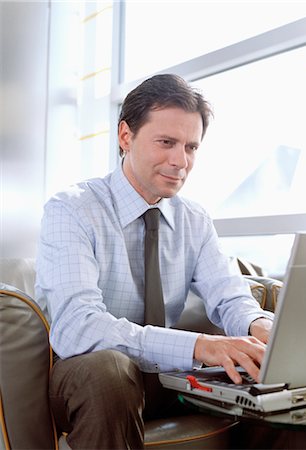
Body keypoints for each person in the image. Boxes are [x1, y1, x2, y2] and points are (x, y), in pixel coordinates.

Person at [35, 74, 274, 449]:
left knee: (272, 374)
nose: (180, 161)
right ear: (125, 136)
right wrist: (200, 345)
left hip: (164, 375)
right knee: (110, 369)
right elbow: (79, 327)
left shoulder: (194, 220)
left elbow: (229, 295)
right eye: (166, 142)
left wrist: (261, 328)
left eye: (191, 147)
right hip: (90, 380)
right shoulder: (72, 209)